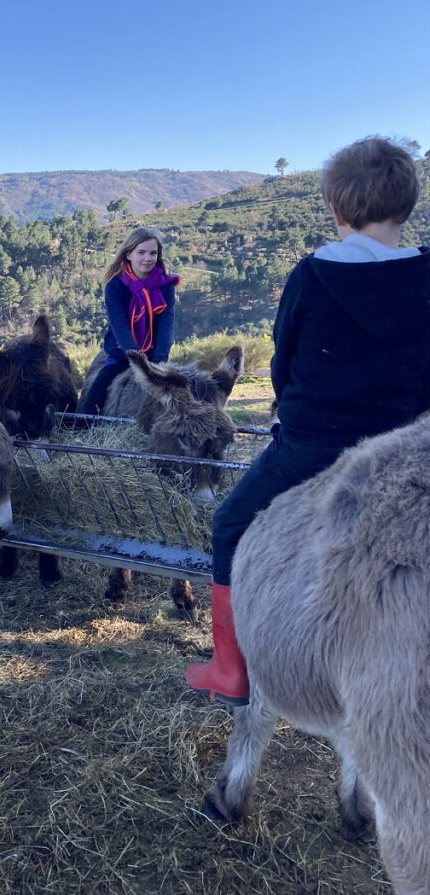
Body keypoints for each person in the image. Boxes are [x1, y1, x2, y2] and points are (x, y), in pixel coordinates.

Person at [186, 136, 430, 705]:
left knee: (229, 524)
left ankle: (229, 669)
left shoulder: (311, 275)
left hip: (313, 447)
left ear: (335, 210)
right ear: (408, 206)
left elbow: (284, 357)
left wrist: (289, 408)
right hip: (405, 448)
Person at [81, 226, 180, 415]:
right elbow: (119, 326)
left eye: (153, 253)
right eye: (141, 252)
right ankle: (82, 428)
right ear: (128, 254)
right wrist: (136, 359)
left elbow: (166, 325)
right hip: (121, 352)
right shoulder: (115, 286)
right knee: (98, 388)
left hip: (154, 354)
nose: (147, 258)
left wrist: (159, 361)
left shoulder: (166, 287)